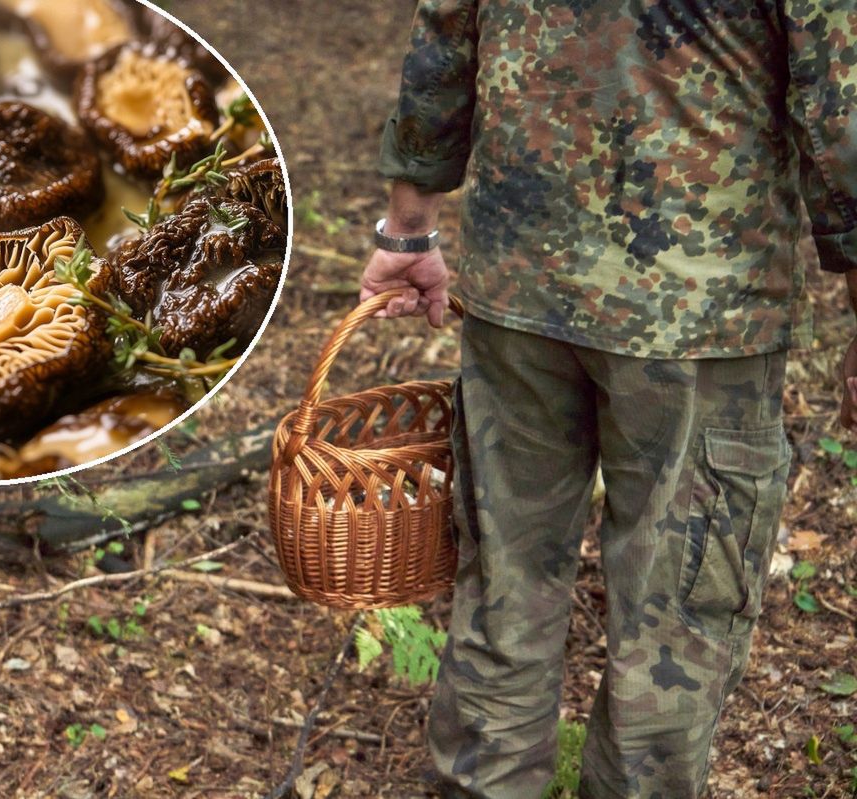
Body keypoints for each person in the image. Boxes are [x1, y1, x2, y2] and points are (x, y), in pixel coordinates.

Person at [359, 1, 857, 797]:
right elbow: (838, 93)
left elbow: (446, 30)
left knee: (505, 595)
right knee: (676, 621)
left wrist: (408, 223)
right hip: (695, 315)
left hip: (525, 289)